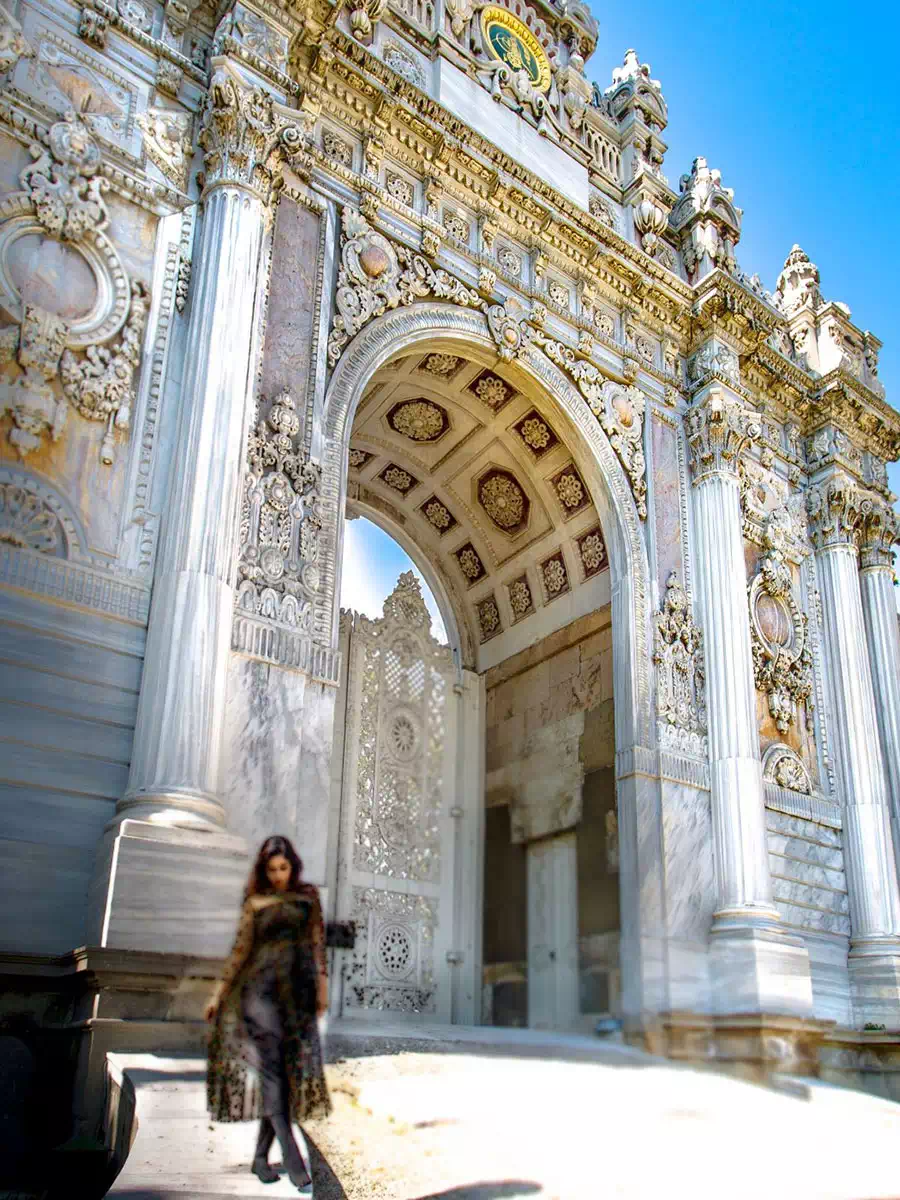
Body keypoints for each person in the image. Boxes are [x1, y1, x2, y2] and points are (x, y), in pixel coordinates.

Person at [205, 835, 331, 1191]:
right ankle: (293, 1158)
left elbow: (318, 946)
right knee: (274, 1074)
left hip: (297, 997)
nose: (278, 875)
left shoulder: (308, 898)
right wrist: (218, 995)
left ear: (293, 866)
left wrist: (322, 987)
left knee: (286, 1079)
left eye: (284, 868)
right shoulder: (255, 902)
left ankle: (260, 1158)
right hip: (257, 997)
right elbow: (240, 951)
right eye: (272, 869)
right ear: (264, 869)